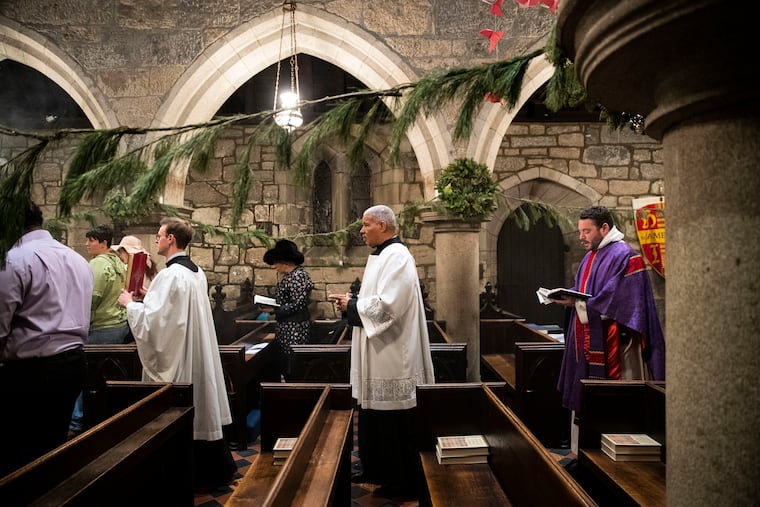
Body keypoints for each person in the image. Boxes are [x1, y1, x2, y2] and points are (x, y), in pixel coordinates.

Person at [117, 217, 235, 491]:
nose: (156, 240)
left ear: (171, 239)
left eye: (159, 236)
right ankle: (214, 470)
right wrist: (149, 297)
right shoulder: (195, 271)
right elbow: (171, 311)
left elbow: (158, 324)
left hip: (181, 355)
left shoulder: (170, 275)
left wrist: (130, 305)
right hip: (194, 350)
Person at [330, 204, 435, 498]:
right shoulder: (381, 255)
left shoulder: (398, 257)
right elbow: (375, 298)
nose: (361, 230)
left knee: (392, 418)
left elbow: (389, 306)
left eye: (366, 224)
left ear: (384, 226)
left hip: (393, 353)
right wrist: (353, 300)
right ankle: (375, 467)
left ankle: (400, 479)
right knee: (373, 413)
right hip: (378, 351)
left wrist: (351, 306)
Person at [552, 206, 666, 451]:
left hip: (618, 345)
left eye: (587, 231)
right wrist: (571, 299)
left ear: (604, 228)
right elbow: (584, 293)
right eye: (580, 231)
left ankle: (615, 455)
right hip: (588, 339)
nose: (581, 237)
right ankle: (580, 451)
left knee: (617, 408)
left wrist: (578, 302)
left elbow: (623, 302)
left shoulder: (625, 256)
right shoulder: (590, 257)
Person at [0, 202, 94, 476]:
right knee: (51, 447)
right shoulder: (77, 259)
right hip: (73, 364)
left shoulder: (15, 260)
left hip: (29, 374)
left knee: (18, 456)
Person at [70, 224, 131, 433]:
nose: (87, 244)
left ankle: (77, 420)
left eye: (91, 240)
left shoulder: (98, 264)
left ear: (103, 243)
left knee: (80, 372)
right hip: (118, 324)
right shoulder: (119, 262)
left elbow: (91, 300)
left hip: (101, 327)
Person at [260, 239, 314, 380]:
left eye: (276, 262)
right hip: (287, 328)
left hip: (295, 328)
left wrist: (275, 310)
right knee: (285, 363)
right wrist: (273, 308)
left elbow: (298, 304)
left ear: (284, 261)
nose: (274, 267)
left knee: (293, 365)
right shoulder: (291, 276)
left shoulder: (298, 276)